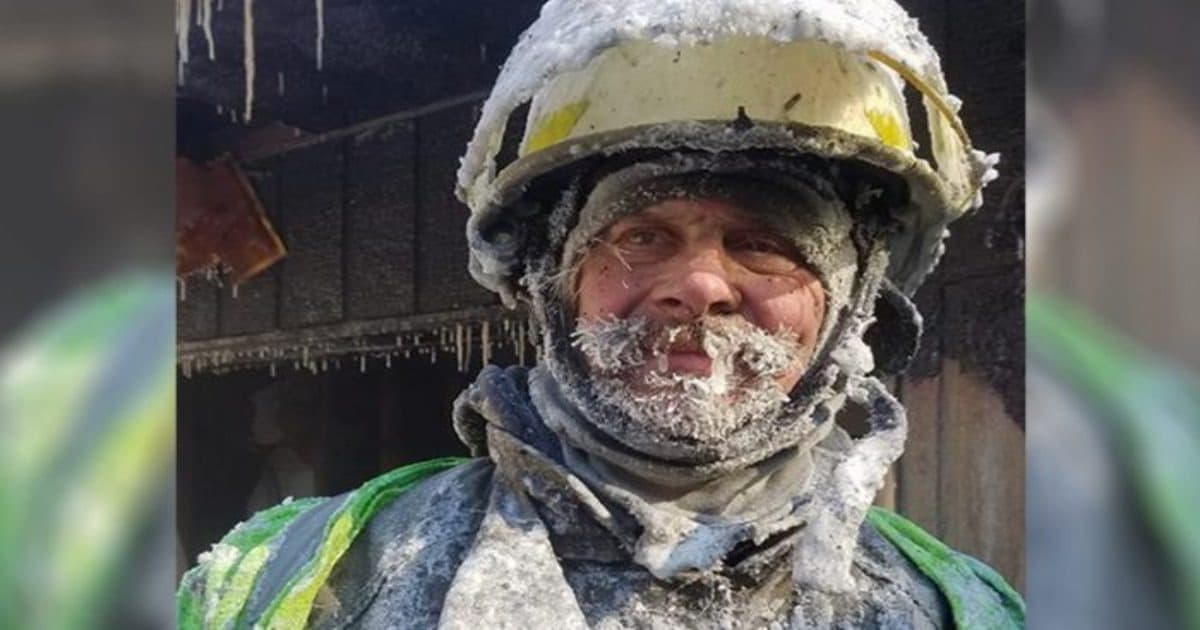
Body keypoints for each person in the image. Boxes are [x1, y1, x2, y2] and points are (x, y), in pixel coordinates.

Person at [178, 0, 1023, 627]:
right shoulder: (280, 581)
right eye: (642, 236)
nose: (698, 284)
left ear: (848, 306)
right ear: (553, 282)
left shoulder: (962, 613)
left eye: (764, 244)